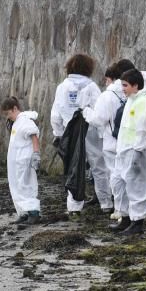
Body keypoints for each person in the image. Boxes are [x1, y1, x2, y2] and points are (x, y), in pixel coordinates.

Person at [50, 54, 107, 220]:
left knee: (73, 168)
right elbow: (99, 110)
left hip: (71, 132)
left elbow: (55, 114)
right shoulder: (92, 87)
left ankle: (74, 206)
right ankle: (105, 202)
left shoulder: (62, 87)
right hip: (90, 130)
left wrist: (59, 133)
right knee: (98, 166)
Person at [83, 59, 135, 219]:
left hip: (112, 142)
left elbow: (99, 119)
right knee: (130, 175)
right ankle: (133, 208)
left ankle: (119, 209)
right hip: (131, 141)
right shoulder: (133, 92)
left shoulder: (107, 95)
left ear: (111, 78)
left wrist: (86, 112)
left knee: (116, 176)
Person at [111, 69, 146, 235]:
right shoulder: (131, 101)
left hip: (135, 151)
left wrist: (138, 150)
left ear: (135, 85)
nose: (122, 88)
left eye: (125, 85)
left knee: (136, 186)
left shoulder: (144, 102)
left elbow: (144, 128)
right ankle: (124, 217)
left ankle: (137, 221)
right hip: (124, 150)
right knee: (119, 184)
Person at [1, 96, 41, 224]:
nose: (7, 117)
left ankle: (33, 213)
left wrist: (36, 154)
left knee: (26, 185)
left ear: (15, 108)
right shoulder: (17, 122)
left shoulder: (25, 120)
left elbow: (33, 135)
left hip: (24, 159)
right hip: (16, 161)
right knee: (16, 185)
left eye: (8, 113)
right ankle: (23, 212)